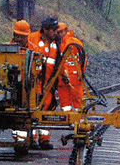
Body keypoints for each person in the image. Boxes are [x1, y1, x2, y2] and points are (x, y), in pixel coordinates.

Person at [26, 17, 60, 149]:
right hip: (34, 83)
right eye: (53, 30)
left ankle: (44, 139)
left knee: (48, 109)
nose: (55, 33)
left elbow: (57, 61)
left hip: (48, 83)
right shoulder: (32, 38)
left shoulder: (56, 43)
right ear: (45, 30)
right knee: (33, 109)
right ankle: (32, 138)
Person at [57, 23, 86, 112]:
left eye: (61, 32)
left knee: (78, 100)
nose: (59, 34)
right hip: (64, 78)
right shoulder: (59, 43)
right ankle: (69, 121)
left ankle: (78, 119)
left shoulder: (74, 42)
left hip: (74, 77)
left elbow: (83, 59)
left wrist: (81, 73)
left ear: (66, 30)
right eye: (58, 32)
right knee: (65, 103)